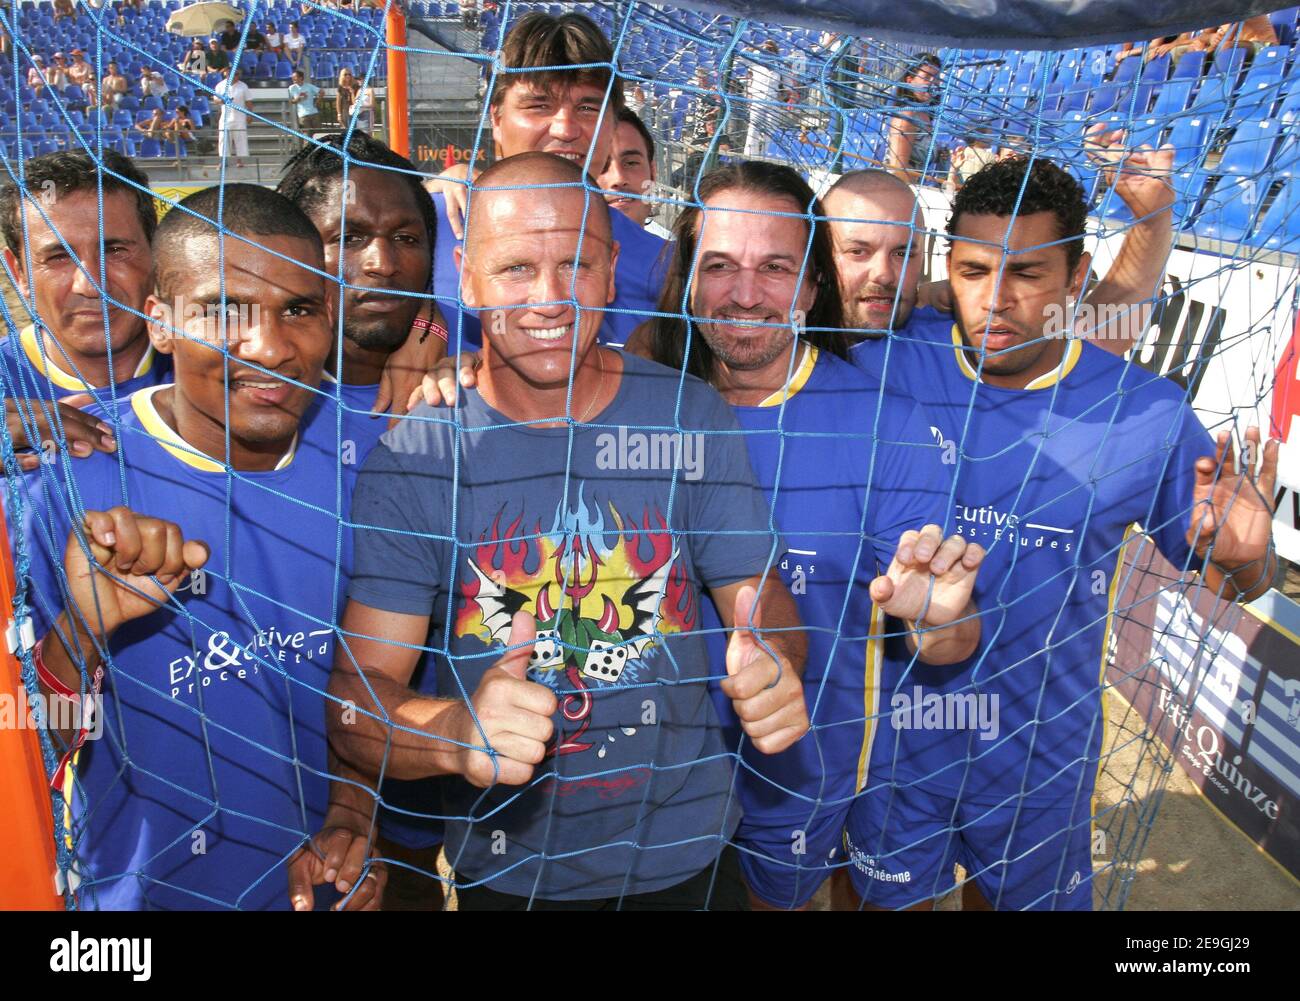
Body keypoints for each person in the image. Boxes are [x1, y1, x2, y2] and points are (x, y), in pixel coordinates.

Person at [328, 152, 809, 910]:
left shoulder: (688, 413)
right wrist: (457, 731)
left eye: (575, 263)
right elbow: (356, 704)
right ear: (468, 274)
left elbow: (762, 600)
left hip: (691, 861)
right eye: (516, 266)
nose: (549, 298)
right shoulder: (418, 452)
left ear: (612, 269)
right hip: (511, 875)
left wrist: (777, 659)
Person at [834, 157, 1278, 911]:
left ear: (1077, 280)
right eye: (974, 270)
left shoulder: (1146, 414)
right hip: (896, 740)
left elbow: (1239, 581)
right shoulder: (882, 360)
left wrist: (1245, 557)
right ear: (948, 268)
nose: (996, 299)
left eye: (1028, 275)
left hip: (1043, 748)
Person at [14, 183, 382, 911]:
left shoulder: (377, 458)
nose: (271, 347)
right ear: (160, 321)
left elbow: (381, 695)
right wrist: (84, 631)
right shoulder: (68, 481)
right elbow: (31, 748)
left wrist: (354, 819)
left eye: (299, 310)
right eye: (225, 310)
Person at [635, 161, 986, 910]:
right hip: (637, 779)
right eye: (720, 265)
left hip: (794, 776)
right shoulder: (633, 399)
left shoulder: (886, 425)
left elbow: (948, 641)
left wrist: (938, 616)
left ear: (811, 287)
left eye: (776, 268)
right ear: (688, 279)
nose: (746, 292)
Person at [276, 133, 446, 909]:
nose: (381, 261)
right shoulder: (247, 399)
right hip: (278, 779)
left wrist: (444, 341)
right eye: (349, 236)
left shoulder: (479, 378)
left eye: (405, 237)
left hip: (431, 774)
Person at [425, 12, 668, 350]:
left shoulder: (664, 265)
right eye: (539, 105)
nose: (565, 129)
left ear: (613, 124)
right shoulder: (421, 229)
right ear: (495, 118)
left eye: (587, 108)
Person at [0, 151, 168, 469]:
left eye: (115, 250)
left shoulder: (220, 371)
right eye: (59, 257)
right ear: (18, 273)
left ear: (156, 254)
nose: (90, 286)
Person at [596, 107, 669, 237]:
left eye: (631, 163)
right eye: (600, 165)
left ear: (652, 173)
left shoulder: (680, 255)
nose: (618, 178)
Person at [885, 52, 941, 184]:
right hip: (900, 189)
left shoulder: (926, 115)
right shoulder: (906, 116)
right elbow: (898, 169)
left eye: (936, 77)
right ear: (910, 81)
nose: (933, 83)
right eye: (927, 77)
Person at [743, 40, 780, 158]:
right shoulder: (755, 64)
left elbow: (787, 82)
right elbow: (742, 55)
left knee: (771, 128)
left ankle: (765, 154)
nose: (768, 51)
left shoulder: (779, 66)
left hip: (772, 100)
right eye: (766, 49)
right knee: (754, 126)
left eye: (771, 49)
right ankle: (750, 154)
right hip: (758, 99)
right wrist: (759, 46)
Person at [215, 68, 251, 165]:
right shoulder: (220, 85)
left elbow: (249, 102)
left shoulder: (243, 86)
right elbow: (215, 100)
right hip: (225, 117)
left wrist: (249, 114)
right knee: (224, 139)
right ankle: (223, 161)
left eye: (237, 74)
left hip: (240, 117)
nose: (236, 76)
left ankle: (240, 161)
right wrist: (221, 101)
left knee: (240, 138)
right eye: (234, 74)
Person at [288, 69, 322, 135]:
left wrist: (317, 102)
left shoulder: (309, 86)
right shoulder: (291, 88)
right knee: (307, 136)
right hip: (303, 115)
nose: (293, 79)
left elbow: (322, 92)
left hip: (314, 113)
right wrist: (298, 98)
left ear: (301, 78)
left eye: (294, 77)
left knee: (319, 134)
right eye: (292, 77)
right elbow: (291, 101)